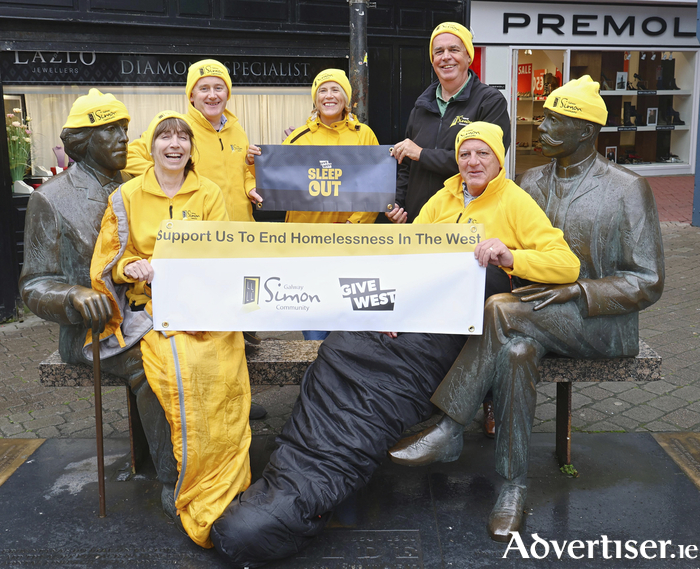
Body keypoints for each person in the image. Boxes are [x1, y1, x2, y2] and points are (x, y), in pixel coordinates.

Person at [210, 122, 580, 568]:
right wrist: (388, 301)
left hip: (449, 333)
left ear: (500, 160)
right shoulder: (441, 199)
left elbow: (566, 264)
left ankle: (302, 499)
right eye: (466, 154)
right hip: (403, 316)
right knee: (341, 349)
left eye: (483, 154)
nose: (473, 162)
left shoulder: (517, 204)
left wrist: (511, 256)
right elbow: (407, 263)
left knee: (384, 385)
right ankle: (296, 488)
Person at [388, 76, 665, 542]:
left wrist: (578, 292)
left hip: (600, 322)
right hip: (533, 312)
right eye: (546, 116)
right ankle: (513, 488)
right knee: (515, 353)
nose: (543, 125)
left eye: (558, 119)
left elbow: (649, 281)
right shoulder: (530, 181)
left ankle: (451, 424)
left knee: (499, 307)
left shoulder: (627, 188)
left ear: (587, 130)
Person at [90, 111, 252, 548]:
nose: (175, 143)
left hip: (203, 309)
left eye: (183, 136)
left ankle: (217, 473)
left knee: (220, 372)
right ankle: (176, 477)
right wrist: (131, 266)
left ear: (190, 149)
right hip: (150, 312)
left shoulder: (210, 193)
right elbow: (108, 262)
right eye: (166, 136)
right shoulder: (125, 197)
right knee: (170, 375)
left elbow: (221, 253)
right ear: (152, 146)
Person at [19, 89, 178, 517]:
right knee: (152, 366)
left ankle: (211, 462)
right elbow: (34, 284)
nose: (124, 139)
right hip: (91, 331)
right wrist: (72, 295)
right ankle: (173, 479)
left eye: (124, 129)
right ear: (81, 141)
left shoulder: (138, 189)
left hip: (147, 313)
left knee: (196, 352)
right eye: (110, 131)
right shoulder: (50, 198)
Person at [126, 59, 268, 369]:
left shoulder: (236, 128)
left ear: (227, 94)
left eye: (219, 88)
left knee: (244, 317)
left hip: (240, 237)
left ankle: (241, 393)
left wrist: (250, 184)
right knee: (210, 320)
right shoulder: (178, 128)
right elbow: (130, 157)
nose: (212, 95)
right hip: (200, 243)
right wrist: (168, 171)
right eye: (204, 88)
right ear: (191, 95)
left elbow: (242, 172)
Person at [253, 68, 379, 340]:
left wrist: (352, 225)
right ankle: (317, 375)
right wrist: (256, 164)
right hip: (305, 245)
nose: (329, 95)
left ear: (347, 98)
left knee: (348, 319)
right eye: (322, 90)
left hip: (349, 244)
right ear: (315, 98)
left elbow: (374, 188)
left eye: (336, 90)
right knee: (313, 321)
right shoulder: (298, 137)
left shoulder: (364, 135)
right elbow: (279, 184)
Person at [387, 21, 511, 225]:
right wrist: (398, 204)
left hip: (466, 222)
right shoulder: (422, 105)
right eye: (439, 51)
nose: (446, 57)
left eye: (454, 49)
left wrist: (422, 154)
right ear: (432, 59)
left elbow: (489, 164)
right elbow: (406, 166)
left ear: (468, 56)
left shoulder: (489, 102)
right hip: (419, 219)